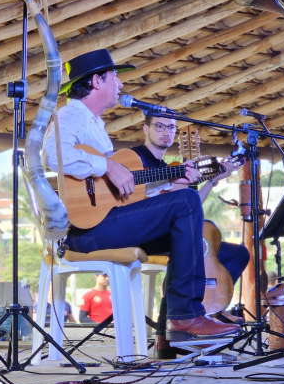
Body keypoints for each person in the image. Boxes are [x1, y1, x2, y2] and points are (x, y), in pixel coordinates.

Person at [42, 49, 241, 344]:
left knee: (190, 238)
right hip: (81, 233)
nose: (121, 84)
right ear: (97, 81)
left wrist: (171, 183)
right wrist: (107, 165)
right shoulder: (70, 115)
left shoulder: (95, 125)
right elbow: (51, 155)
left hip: (104, 223)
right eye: (115, 77)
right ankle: (185, 316)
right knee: (186, 203)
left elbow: (121, 192)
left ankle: (169, 332)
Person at [131, 115, 250, 358]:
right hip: (138, 230)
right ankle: (170, 330)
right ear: (146, 128)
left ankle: (210, 308)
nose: (166, 132)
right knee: (186, 243)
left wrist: (212, 180)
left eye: (171, 127)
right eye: (160, 126)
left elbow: (190, 206)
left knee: (236, 253)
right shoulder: (135, 160)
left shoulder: (168, 167)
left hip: (166, 231)